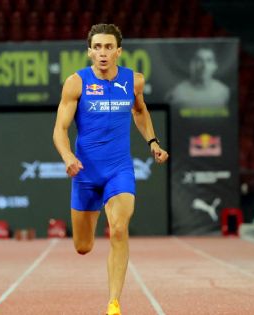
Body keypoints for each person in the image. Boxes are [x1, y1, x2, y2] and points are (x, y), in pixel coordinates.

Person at [53, 24, 169, 315]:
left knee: (118, 229)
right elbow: (60, 130)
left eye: (108, 47)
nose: (102, 53)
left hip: (119, 169)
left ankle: (114, 303)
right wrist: (68, 156)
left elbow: (140, 111)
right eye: (97, 47)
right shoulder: (76, 83)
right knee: (83, 246)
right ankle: (88, 241)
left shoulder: (134, 81)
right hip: (85, 174)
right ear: (89, 51)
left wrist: (152, 141)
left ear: (119, 51)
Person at [166, 47, 230, 108]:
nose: (204, 66)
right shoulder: (177, 93)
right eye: (199, 60)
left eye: (209, 60)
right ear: (192, 64)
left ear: (215, 66)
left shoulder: (223, 91)